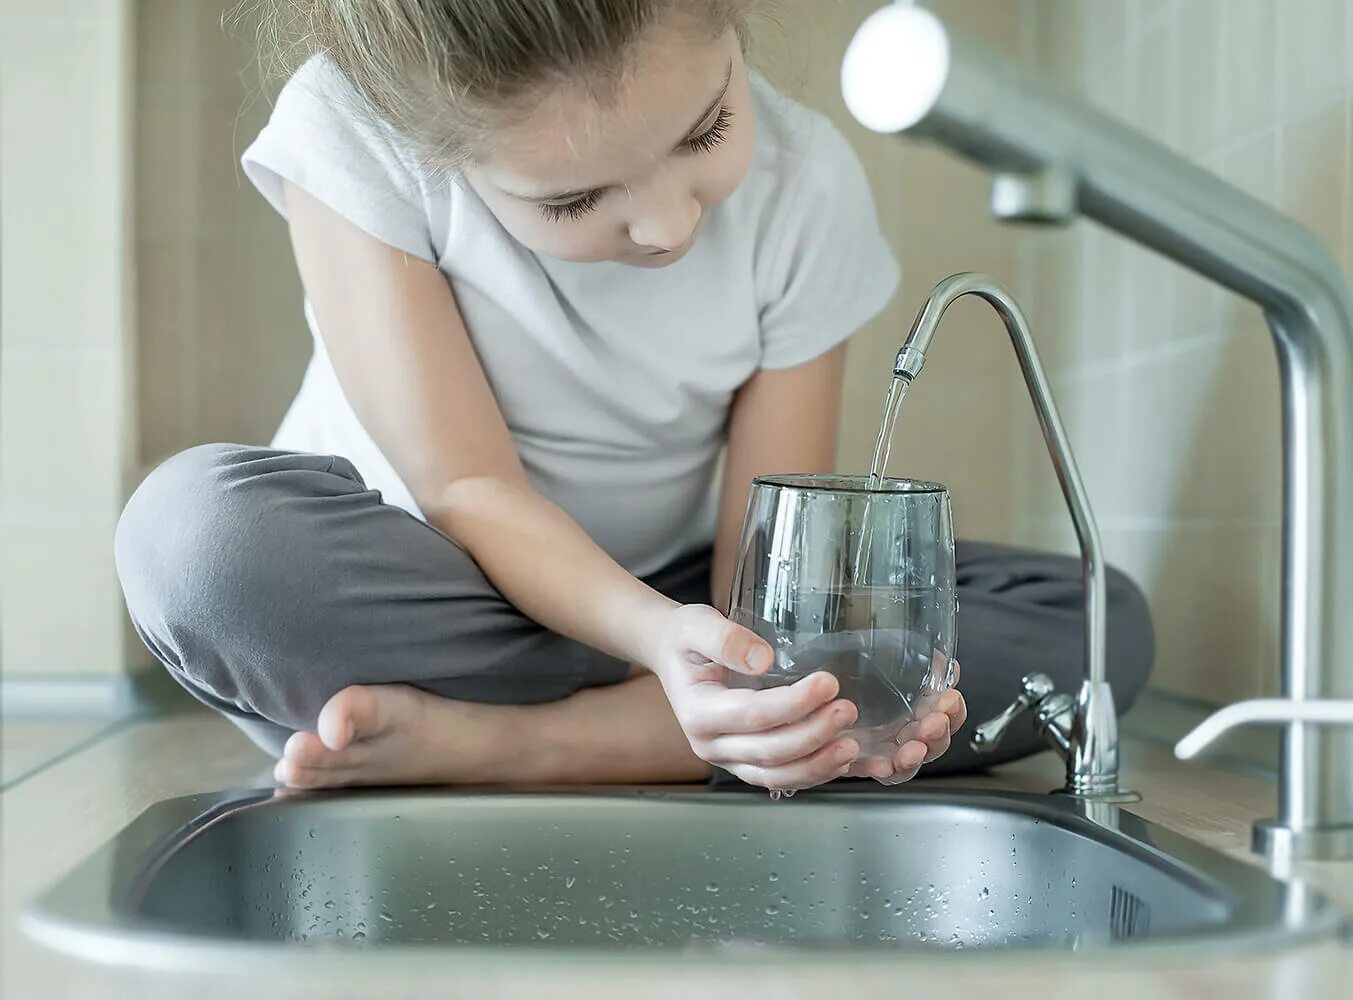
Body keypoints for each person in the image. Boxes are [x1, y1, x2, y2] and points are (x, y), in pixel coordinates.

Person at [114, 0, 1152, 793]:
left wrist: (745, 657)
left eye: (703, 132)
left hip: (676, 604)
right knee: (197, 545)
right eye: (571, 199)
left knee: (1097, 628)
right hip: (431, 581)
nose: (666, 227)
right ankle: (680, 732)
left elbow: (768, 572)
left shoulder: (809, 186)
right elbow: (468, 483)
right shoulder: (348, 127)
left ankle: (517, 745)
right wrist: (664, 646)